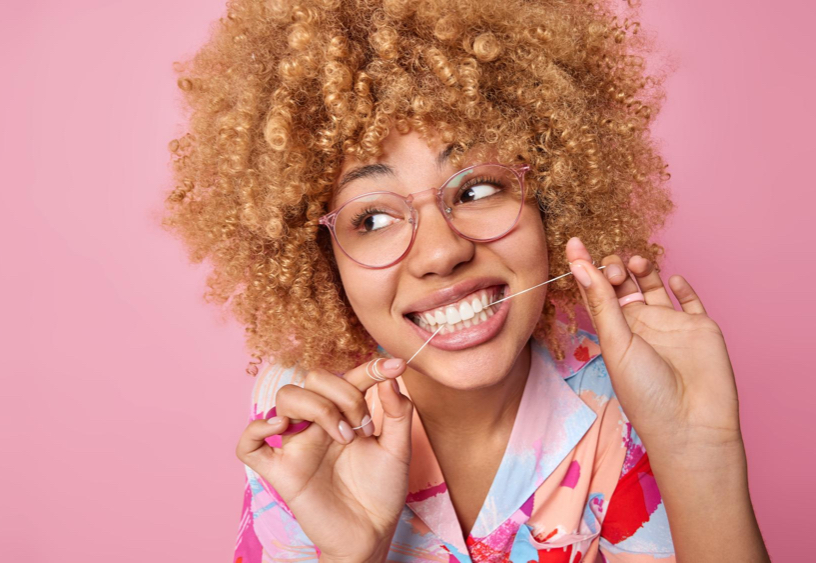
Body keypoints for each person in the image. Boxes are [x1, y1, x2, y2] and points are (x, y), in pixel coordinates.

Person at [163, 0, 771, 561]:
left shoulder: (629, 404)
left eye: (477, 188)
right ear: (323, 260)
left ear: (550, 202)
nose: (441, 251)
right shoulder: (307, 418)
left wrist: (700, 454)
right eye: (371, 217)